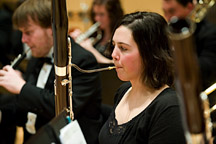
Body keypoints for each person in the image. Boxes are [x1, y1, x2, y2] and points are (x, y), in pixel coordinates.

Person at [0, 0, 103, 143]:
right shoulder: (37, 58)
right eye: (22, 33)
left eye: (28, 32)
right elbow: (27, 109)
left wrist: (22, 87)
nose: (23, 40)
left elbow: (64, 112)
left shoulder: (82, 61)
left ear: (51, 29)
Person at [98, 11, 186, 144]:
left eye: (123, 48)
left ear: (149, 53)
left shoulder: (170, 108)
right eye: (113, 45)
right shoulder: (124, 91)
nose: (113, 55)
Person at [162, 0, 216, 138]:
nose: (169, 18)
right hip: (173, 100)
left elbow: (206, 70)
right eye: (165, 12)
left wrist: (179, 51)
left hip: (203, 102)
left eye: (172, 11)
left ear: (190, 7)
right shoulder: (166, 34)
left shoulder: (209, 33)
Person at [70, 0, 124, 64]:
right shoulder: (96, 34)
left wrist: (90, 50)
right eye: (95, 14)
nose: (97, 18)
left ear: (112, 15)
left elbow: (115, 64)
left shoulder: (121, 37)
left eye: (102, 14)